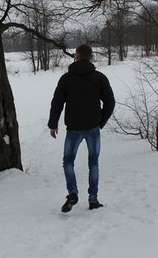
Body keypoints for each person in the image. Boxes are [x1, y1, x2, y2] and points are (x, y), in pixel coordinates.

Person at [48, 44, 115, 213]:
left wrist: (53, 124)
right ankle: (93, 200)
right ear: (91, 57)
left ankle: (73, 193)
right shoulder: (99, 78)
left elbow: (57, 103)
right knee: (93, 163)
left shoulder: (66, 79)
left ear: (76, 56)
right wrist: (100, 121)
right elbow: (110, 102)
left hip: (73, 129)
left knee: (68, 161)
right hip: (93, 128)